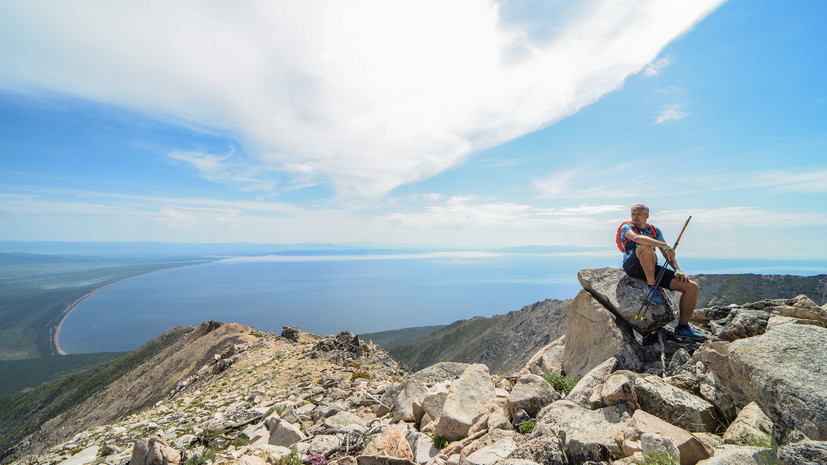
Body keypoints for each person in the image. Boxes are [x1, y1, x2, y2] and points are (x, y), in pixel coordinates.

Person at [620, 204, 705, 340]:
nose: (635, 217)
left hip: (650, 266)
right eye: (633, 214)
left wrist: (677, 269)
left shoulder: (654, 230)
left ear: (646, 216)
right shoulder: (628, 227)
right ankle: (651, 286)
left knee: (692, 287)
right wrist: (664, 245)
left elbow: (667, 254)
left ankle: (683, 327)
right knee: (645, 246)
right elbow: (636, 238)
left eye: (638, 214)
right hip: (633, 266)